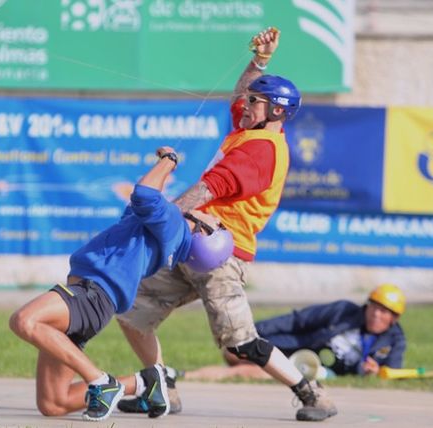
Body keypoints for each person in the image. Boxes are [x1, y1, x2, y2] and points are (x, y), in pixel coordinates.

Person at [116, 27, 337, 422]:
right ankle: (162, 389)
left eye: (257, 101)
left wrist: (155, 213)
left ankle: (312, 394)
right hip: (193, 243)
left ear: (278, 112)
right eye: (251, 99)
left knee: (241, 344)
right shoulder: (248, 129)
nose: (246, 104)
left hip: (222, 256)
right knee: (132, 311)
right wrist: (261, 61)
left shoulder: (261, 152)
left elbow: (206, 190)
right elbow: (240, 93)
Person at [8, 146, 232, 422]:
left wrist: (169, 161)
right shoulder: (167, 234)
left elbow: (145, 194)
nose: (215, 215)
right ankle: (143, 383)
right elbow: (139, 205)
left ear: (204, 233)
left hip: (90, 293)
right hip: (95, 301)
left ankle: (101, 381)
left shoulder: (176, 225)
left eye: (219, 224)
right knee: (53, 403)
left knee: (24, 321)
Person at [185, 284, 407, 381]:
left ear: (394, 318)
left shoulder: (394, 340)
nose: (377, 315)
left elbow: (393, 371)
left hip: (316, 371)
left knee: (248, 372)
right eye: (375, 307)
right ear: (367, 305)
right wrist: (252, 331)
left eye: (385, 312)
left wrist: (374, 371)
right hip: (297, 347)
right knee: (234, 351)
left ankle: (189, 376)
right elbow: (298, 320)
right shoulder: (344, 311)